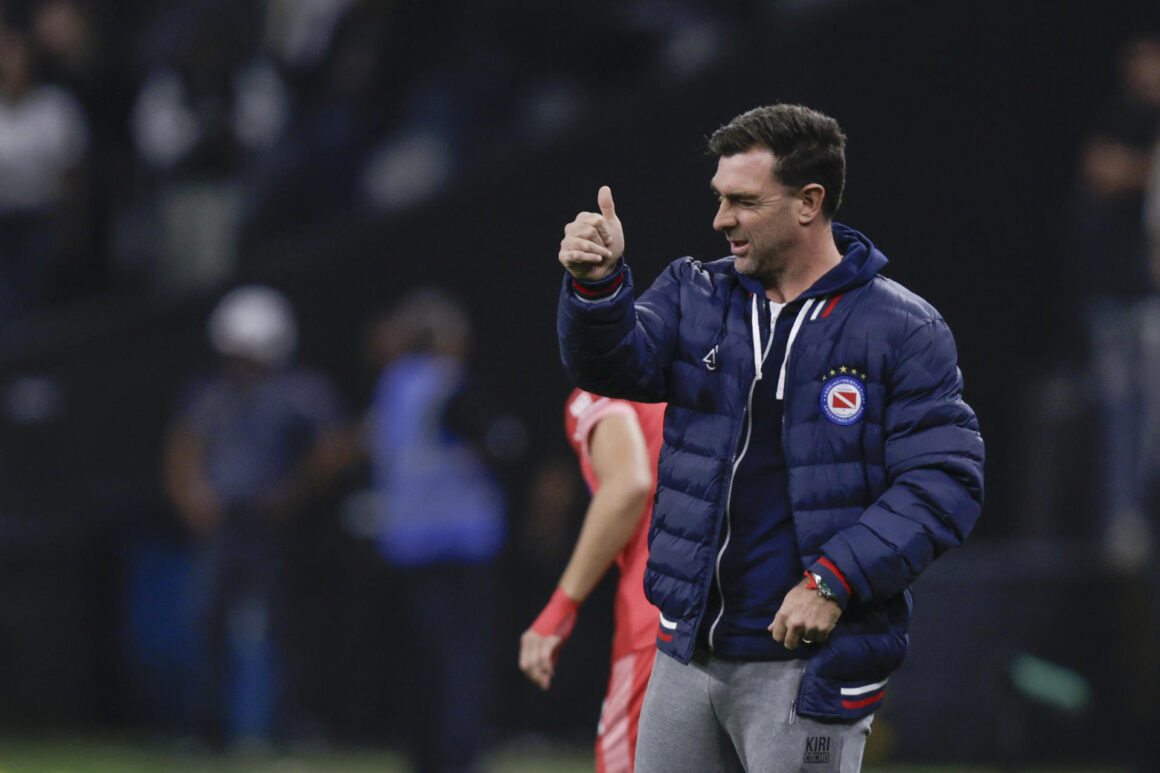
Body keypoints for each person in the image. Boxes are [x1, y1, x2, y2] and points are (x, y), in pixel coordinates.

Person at [556, 103, 985, 772]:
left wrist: (834, 578)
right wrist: (597, 285)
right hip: (686, 653)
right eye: (720, 198)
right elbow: (611, 366)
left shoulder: (900, 328)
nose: (721, 218)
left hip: (806, 665)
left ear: (809, 202)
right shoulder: (696, 293)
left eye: (743, 201)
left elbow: (944, 480)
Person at [163, 284, 352, 750]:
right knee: (208, 624)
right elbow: (183, 447)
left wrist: (294, 493)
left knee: (283, 627)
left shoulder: (300, 391)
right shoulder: (208, 393)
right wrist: (191, 496)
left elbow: (335, 447)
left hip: (276, 527)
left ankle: (287, 725)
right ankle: (209, 730)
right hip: (222, 521)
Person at [366, 287, 507, 773]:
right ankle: (457, 758)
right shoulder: (449, 384)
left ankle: (424, 757)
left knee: (420, 663)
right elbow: (492, 443)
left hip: (407, 542)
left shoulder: (392, 386)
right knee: (460, 664)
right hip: (460, 540)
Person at [519, 388, 665, 773]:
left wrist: (561, 606)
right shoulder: (719, 367)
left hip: (659, 616)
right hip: (751, 614)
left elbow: (628, 484)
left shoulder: (605, 388)